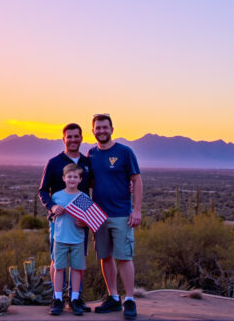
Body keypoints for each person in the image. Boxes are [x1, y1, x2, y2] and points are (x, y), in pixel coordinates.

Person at [89, 114, 142, 320]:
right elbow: (91, 182)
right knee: (105, 256)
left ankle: (129, 299)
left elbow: (136, 180)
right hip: (98, 214)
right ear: (93, 131)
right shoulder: (91, 154)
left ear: (112, 129)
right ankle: (113, 297)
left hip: (121, 213)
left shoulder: (125, 152)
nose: (101, 131)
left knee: (124, 256)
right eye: (97, 128)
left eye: (105, 127)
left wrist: (136, 209)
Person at [38, 123, 92, 314]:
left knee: (78, 261)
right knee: (57, 261)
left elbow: (95, 189)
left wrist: (127, 186)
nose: (73, 140)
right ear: (63, 139)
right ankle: (57, 298)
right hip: (58, 222)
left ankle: (76, 298)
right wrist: (52, 207)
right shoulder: (53, 162)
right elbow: (43, 191)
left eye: (76, 136)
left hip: (80, 223)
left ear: (81, 138)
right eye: (69, 136)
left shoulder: (87, 163)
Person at [49, 164, 89, 316]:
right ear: (63, 178)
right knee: (59, 268)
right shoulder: (56, 197)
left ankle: (75, 299)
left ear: (80, 179)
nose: (72, 179)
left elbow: (88, 219)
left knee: (77, 269)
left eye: (75, 177)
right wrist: (54, 211)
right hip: (60, 238)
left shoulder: (84, 197)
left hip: (77, 239)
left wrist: (84, 222)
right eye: (69, 176)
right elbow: (51, 216)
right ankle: (58, 298)